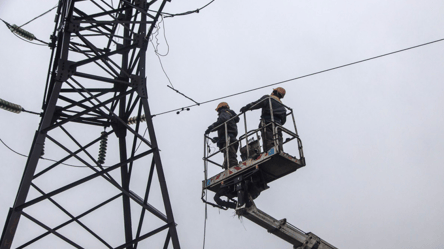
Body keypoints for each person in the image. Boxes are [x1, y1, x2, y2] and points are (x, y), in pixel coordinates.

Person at [239, 87, 287, 152]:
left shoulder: (268, 98)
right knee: (278, 140)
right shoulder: (282, 106)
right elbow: (283, 120)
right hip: (278, 125)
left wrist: (247, 107)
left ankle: (271, 152)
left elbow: (257, 103)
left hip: (267, 123)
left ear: (274, 92)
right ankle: (279, 151)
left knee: (268, 140)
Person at [205, 102, 240, 169]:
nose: (218, 113)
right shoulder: (230, 116)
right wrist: (218, 138)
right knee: (230, 157)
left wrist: (211, 127)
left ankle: (232, 169)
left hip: (228, 139)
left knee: (230, 158)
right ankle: (230, 167)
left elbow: (223, 120)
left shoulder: (224, 112)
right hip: (231, 138)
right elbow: (227, 129)